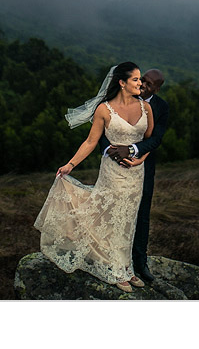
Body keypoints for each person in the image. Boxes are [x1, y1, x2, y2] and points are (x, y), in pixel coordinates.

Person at [33, 62, 154, 293]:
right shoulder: (104, 110)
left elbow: (149, 140)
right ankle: (115, 270)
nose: (141, 83)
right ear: (122, 82)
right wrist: (70, 164)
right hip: (113, 172)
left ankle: (126, 268)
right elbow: (90, 142)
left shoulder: (146, 108)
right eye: (136, 80)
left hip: (136, 173)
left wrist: (140, 159)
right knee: (113, 216)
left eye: (140, 79)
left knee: (129, 219)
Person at [99, 69, 167, 284]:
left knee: (141, 214)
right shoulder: (122, 96)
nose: (143, 85)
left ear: (157, 88)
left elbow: (155, 139)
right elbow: (101, 129)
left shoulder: (160, 107)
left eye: (149, 84)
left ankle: (139, 262)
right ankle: (107, 258)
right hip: (113, 166)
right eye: (142, 80)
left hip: (142, 168)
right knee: (110, 210)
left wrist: (131, 151)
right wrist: (110, 150)